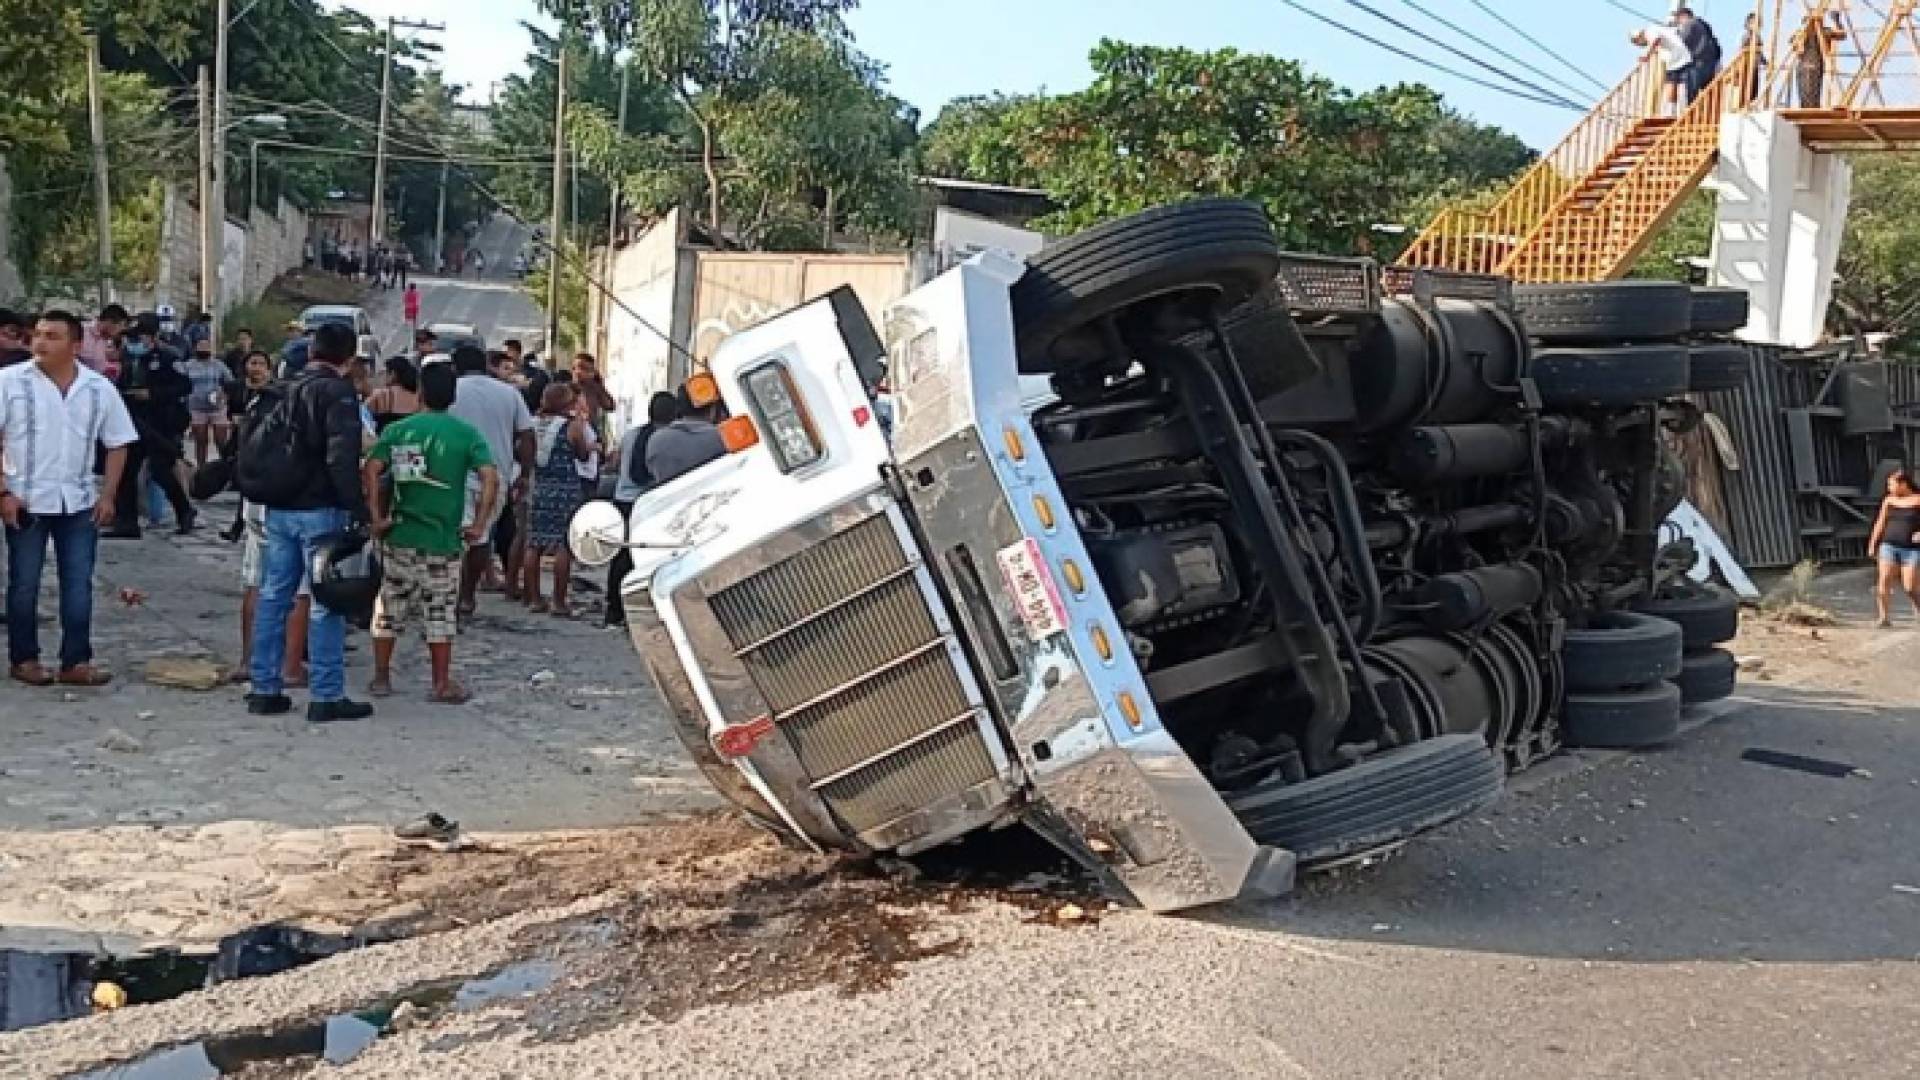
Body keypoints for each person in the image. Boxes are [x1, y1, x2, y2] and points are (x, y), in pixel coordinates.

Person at [244, 321, 375, 723]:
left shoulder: (286, 386)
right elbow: (340, 453)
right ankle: (326, 694)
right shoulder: (337, 393)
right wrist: (357, 507)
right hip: (320, 509)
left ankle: (264, 688)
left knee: (274, 595)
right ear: (349, 358)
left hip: (279, 507)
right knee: (326, 600)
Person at [0, 311, 138, 686]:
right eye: (39, 335)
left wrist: (108, 494)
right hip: (25, 498)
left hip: (77, 500)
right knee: (24, 582)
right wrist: (4, 492)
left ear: (75, 345)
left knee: (78, 582)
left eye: (53, 336)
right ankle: (24, 658)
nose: (41, 343)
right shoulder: (9, 383)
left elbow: (118, 442)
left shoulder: (97, 388)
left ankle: (75, 660)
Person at [364, 361, 498, 703]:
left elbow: (372, 468)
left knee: (389, 606)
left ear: (420, 392)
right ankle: (440, 683)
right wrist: (480, 522)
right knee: (439, 611)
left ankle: (381, 677)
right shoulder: (466, 435)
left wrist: (377, 516)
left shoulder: (399, 431)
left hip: (400, 534)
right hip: (443, 539)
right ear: (452, 397)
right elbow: (490, 477)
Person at [448, 344, 533, 618]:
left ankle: (450, 592)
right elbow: (527, 435)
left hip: (455, 474)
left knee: (454, 535)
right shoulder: (508, 393)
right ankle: (467, 594)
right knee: (480, 536)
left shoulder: (451, 390)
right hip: (497, 476)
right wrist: (525, 474)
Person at [108, 314, 196, 537]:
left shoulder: (168, 358)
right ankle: (126, 523)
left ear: (153, 337)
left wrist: (152, 394)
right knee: (126, 472)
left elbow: (184, 386)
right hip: (133, 420)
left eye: (140, 337)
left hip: (161, 422)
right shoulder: (129, 357)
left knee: (161, 470)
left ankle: (184, 510)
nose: (134, 342)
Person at [605, 391, 676, 628]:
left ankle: (613, 608)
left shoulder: (631, 434)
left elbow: (616, 463)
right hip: (647, 503)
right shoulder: (665, 438)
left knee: (621, 556)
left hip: (623, 499)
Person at [523, 383, 591, 616]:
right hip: (566, 489)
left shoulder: (533, 424)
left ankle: (533, 598)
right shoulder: (571, 427)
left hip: (540, 487)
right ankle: (558, 601)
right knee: (564, 545)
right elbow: (581, 454)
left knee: (534, 544)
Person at [1869, 470, 1920, 628]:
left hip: (1912, 549)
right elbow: (1880, 523)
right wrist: (1873, 543)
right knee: (1884, 579)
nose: (1889, 487)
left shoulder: (1918, 500)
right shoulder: (1889, 501)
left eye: (1891, 484)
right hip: (1889, 545)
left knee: (1910, 587)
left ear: (1903, 484)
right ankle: (1883, 618)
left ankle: (1918, 609)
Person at [646, 389, 728, 486]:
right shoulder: (724, 438)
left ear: (678, 408)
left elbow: (651, 472)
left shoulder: (655, 441)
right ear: (713, 408)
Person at [183, 337, 235, 467]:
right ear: (196, 348)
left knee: (221, 440)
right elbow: (181, 384)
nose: (203, 348)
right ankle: (202, 469)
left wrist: (224, 394)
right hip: (196, 407)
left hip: (217, 407)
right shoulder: (188, 365)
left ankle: (225, 466)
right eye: (201, 345)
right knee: (200, 440)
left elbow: (231, 382)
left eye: (206, 346)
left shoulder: (219, 364)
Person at [1634, 18, 1695, 116]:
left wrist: (1647, 55)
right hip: (1681, 57)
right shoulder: (1658, 29)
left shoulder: (1650, 31)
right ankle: (1676, 109)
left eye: (1638, 43)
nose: (1642, 44)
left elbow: (1656, 40)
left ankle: (1672, 111)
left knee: (1672, 83)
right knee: (1677, 83)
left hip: (1676, 59)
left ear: (1638, 37)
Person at [1673, 8, 1721, 104]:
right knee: (1708, 91)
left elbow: (1680, 42)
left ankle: (1691, 116)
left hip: (1697, 63)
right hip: (1710, 63)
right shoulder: (1703, 24)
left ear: (1684, 16)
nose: (1678, 22)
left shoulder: (1690, 23)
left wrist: (1675, 34)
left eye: (1678, 19)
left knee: (1692, 93)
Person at [368, 356, 421, 431]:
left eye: (385, 372)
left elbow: (363, 415)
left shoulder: (382, 394)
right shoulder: (418, 397)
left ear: (393, 374)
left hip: (386, 440)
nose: (383, 376)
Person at [571, 353, 616, 433]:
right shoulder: (565, 389)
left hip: (591, 432)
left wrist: (599, 385)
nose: (578, 371)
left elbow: (610, 406)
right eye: (574, 368)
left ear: (591, 372)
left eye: (583, 368)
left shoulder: (595, 389)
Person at [80, 303, 127, 375]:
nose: (121, 330)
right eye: (120, 325)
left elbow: (99, 364)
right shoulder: (81, 332)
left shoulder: (106, 339)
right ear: (109, 321)